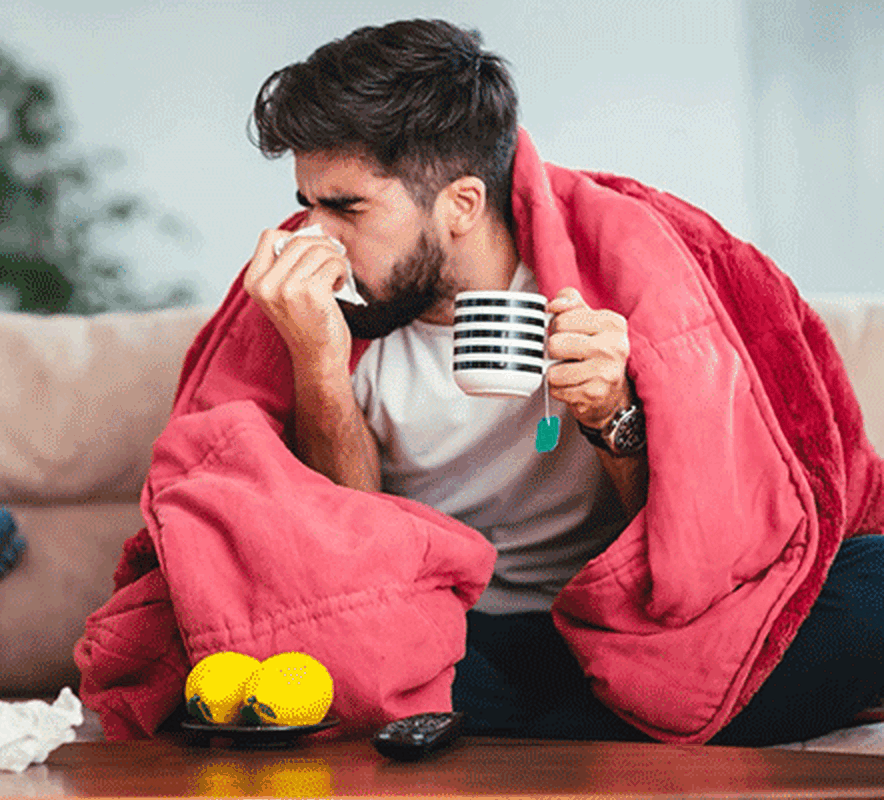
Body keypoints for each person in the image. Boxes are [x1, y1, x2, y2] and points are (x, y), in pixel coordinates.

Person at [75, 17, 884, 747]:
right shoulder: (308, 310)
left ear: (461, 203)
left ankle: (524, 722)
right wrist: (318, 364)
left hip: (619, 622)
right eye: (305, 203)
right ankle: (614, 723)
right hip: (446, 637)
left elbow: (693, 549)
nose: (311, 235)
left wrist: (616, 414)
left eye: (347, 208)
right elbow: (333, 564)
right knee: (256, 642)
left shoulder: (616, 273)